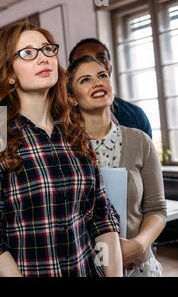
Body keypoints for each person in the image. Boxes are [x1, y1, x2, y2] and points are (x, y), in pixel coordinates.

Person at [0, 20, 123, 277]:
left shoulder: (76, 132)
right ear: (9, 74)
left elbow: (102, 214)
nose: (43, 59)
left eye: (47, 50)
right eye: (28, 53)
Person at [67, 55, 167, 277]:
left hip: (139, 265)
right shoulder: (64, 147)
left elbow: (157, 209)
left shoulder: (140, 141)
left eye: (102, 75)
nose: (98, 82)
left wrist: (139, 245)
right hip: (85, 266)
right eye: (85, 80)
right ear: (72, 98)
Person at [68, 38, 152, 138]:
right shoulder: (61, 124)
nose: (93, 64)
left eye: (101, 58)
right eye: (84, 60)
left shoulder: (136, 116)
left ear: (110, 67)